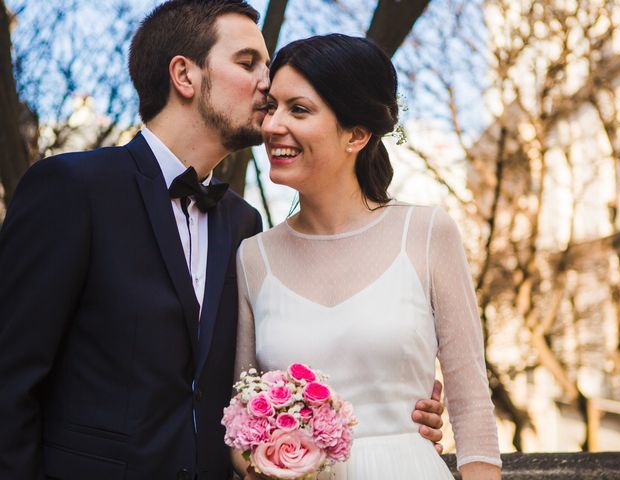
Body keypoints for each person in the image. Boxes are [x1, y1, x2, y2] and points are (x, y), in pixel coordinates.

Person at [0, 2, 444, 479]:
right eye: (248, 63)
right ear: (185, 76)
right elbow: (10, 380)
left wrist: (394, 412)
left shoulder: (244, 226)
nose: (268, 85)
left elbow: (270, 375)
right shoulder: (71, 189)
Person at [234, 34, 502, 479]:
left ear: (356, 134)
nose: (272, 125)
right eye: (271, 107)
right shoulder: (252, 257)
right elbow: (238, 424)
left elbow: (472, 407)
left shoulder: (426, 233)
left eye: (298, 110)